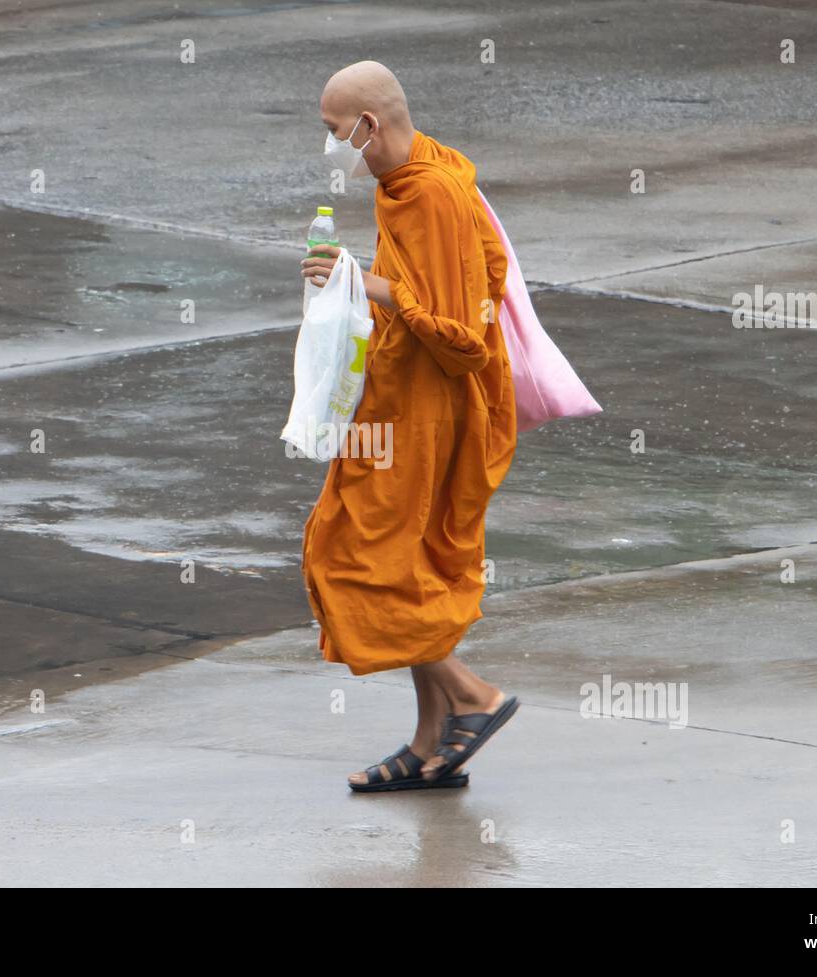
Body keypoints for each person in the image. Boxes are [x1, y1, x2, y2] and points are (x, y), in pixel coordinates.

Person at [299, 61, 520, 791]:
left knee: (358, 557)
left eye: (336, 132)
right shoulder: (428, 170)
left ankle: (471, 695)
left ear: (371, 124)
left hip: (423, 412)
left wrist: (363, 284)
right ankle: (432, 741)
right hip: (402, 400)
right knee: (414, 561)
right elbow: (470, 274)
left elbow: (459, 333)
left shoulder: (428, 191)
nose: (332, 147)